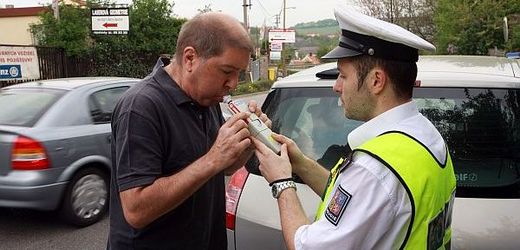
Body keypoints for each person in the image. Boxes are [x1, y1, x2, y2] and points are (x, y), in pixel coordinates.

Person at [252, 5, 457, 250]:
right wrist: (300, 163)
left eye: (343, 76)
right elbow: (359, 203)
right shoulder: (426, 135)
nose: (336, 87)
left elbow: (306, 247)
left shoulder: (374, 168)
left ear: (376, 81)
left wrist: (282, 182)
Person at [108, 13, 270, 249]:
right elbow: (136, 210)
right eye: (227, 71)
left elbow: (223, 168)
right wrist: (212, 159)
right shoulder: (141, 107)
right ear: (190, 58)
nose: (234, 84)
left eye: (239, 74)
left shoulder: (207, 100)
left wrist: (249, 141)